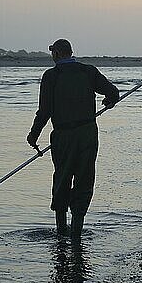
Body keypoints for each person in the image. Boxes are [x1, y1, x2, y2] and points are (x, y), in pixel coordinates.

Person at [27, 39, 119, 240]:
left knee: (62, 178)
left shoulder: (51, 76)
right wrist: (108, 102)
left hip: (64, 136)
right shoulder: (88, 71)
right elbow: (113, 92)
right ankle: (76, 233)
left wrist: (33, 135)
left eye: (53, 53)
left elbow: (45, 112)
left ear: (58, 54)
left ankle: (61, 232)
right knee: (84, 180)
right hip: (88, 134)